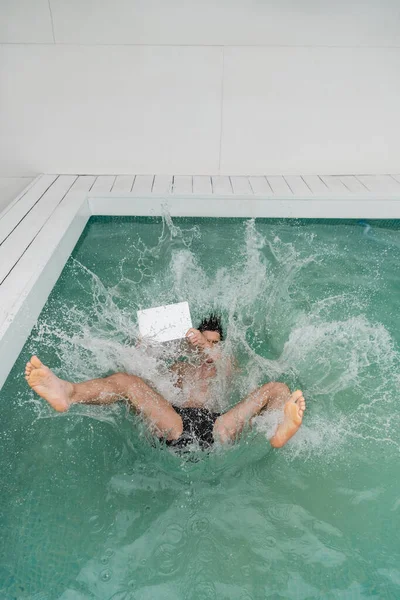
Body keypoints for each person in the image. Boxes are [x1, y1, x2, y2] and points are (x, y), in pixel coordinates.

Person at [25, 314, 306, 450]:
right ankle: (68, 391)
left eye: (214, 343)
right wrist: (141, 349)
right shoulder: (180, 367)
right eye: (203, 341)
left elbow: (225, 365)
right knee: (127, 381)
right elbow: (148, 382)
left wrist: (207, 348)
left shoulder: (226, 366)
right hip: (174, 424)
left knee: (278, 389)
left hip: (220, 425)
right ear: (191, 341)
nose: (208, 348)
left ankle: (277, 432)